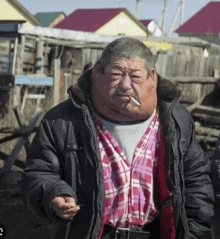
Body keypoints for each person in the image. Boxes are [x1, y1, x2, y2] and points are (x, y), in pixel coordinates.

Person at [22, 37, 214, 239]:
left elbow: (196, 180)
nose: (124, 85)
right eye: (116, 74)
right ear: (98, 73)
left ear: (151, 77)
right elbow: (38, 172)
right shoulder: (63, 121)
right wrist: (53, 194)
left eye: (135, 76)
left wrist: (193, 233)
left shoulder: (175, 120)